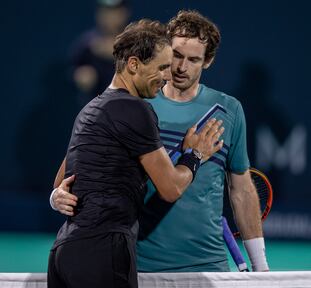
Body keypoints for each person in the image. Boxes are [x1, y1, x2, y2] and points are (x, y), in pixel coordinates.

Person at [52, 10, 269, 272]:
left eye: (193, 60)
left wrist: (261, 267)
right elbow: (73, 170)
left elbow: (242, 191)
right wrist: (57, 196)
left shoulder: (229, 110)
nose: (180, 67)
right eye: (176, 56)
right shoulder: (133, 104)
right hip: (138, 263)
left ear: (207, 61)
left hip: (208, 265)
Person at [70, 0, 131, 105]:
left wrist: (115, 53)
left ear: (124, 13)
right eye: (105, 11)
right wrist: (81, 77)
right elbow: (75, 71)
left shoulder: (137, 41)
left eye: (114, 12)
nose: (109, 17)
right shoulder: (86, 45)